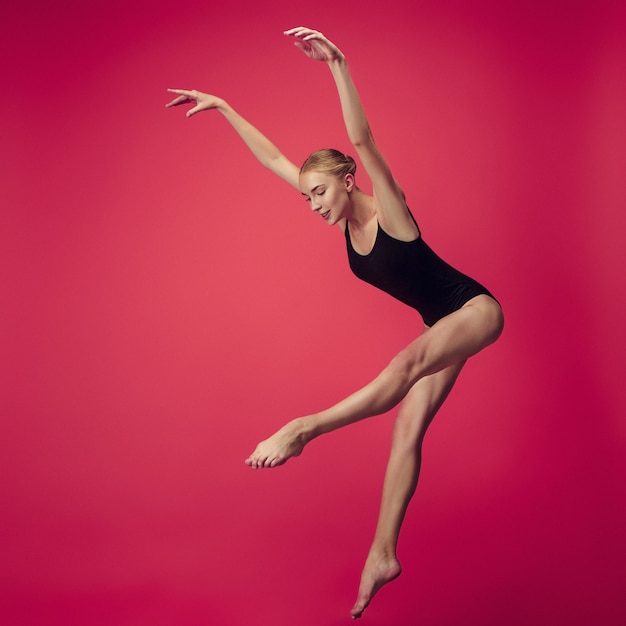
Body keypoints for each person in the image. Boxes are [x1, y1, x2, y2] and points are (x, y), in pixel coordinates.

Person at [166, 26, 504, 620]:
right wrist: (223, 108)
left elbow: (363, 139)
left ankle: (302, 429)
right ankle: (382, 554)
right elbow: (275, 158)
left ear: (348, 181)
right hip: (442, 324)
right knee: (406, 427)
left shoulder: (391, 210)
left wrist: (337, 65)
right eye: (307, 197)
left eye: (320, 191)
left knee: (404, 365)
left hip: (474, 309)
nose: (314, 203)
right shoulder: (341, 222)